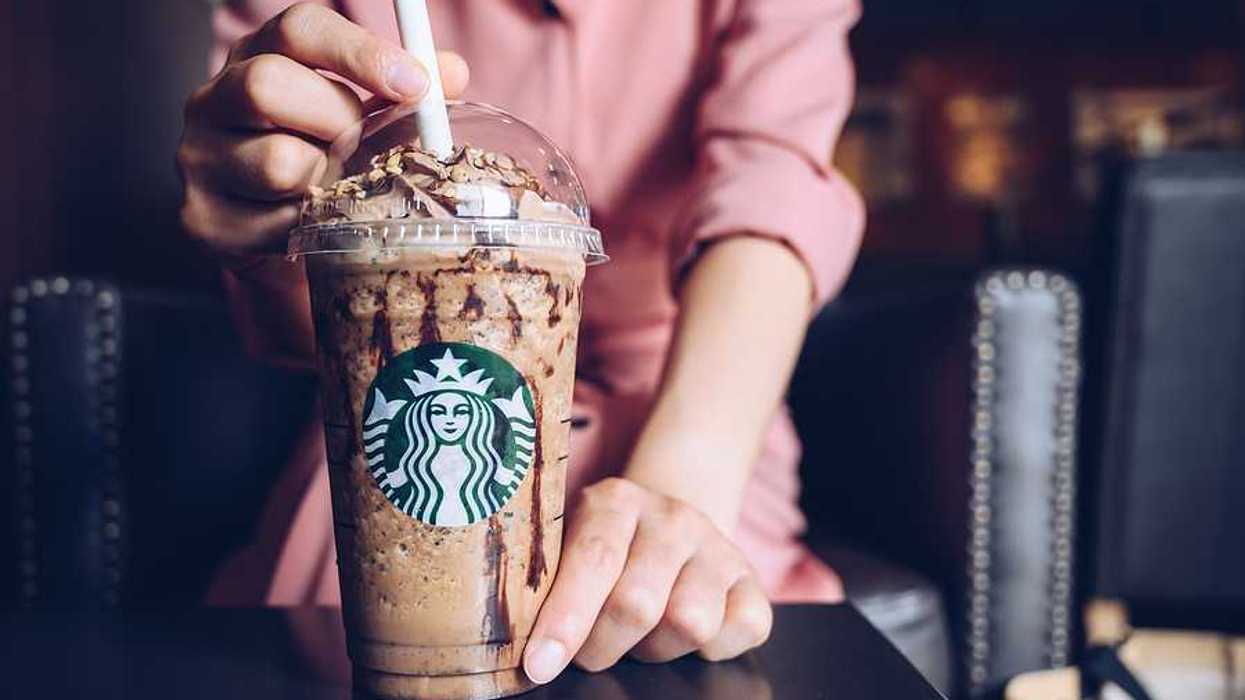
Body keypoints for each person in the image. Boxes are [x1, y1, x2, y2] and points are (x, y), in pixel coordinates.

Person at [177, 0, 864, 686]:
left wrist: (682, 485)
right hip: (397, 400)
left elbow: (772, 181)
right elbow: (318, 320)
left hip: (692, 394)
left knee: (690, 618)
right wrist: (260, 218)